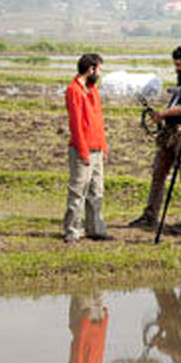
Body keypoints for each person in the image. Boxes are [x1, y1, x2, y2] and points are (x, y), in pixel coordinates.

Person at [128, 46, 181, 237]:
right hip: (169, 133)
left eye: (179, 65)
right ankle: (150, 216)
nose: (176, 69)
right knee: (158, 173)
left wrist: (163, 114)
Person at [63, 53, 111, 243]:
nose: (99, 73)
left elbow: (99, 120)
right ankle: (72, 231)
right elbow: (75, 124)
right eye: (99, 69)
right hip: (83, 150)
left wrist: (104, 147)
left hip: (97, 148)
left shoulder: (92, 90)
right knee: (78, 191)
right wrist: (83, 151)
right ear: (90, 69)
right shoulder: (74, 90)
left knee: (96, 191)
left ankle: (94, 229)